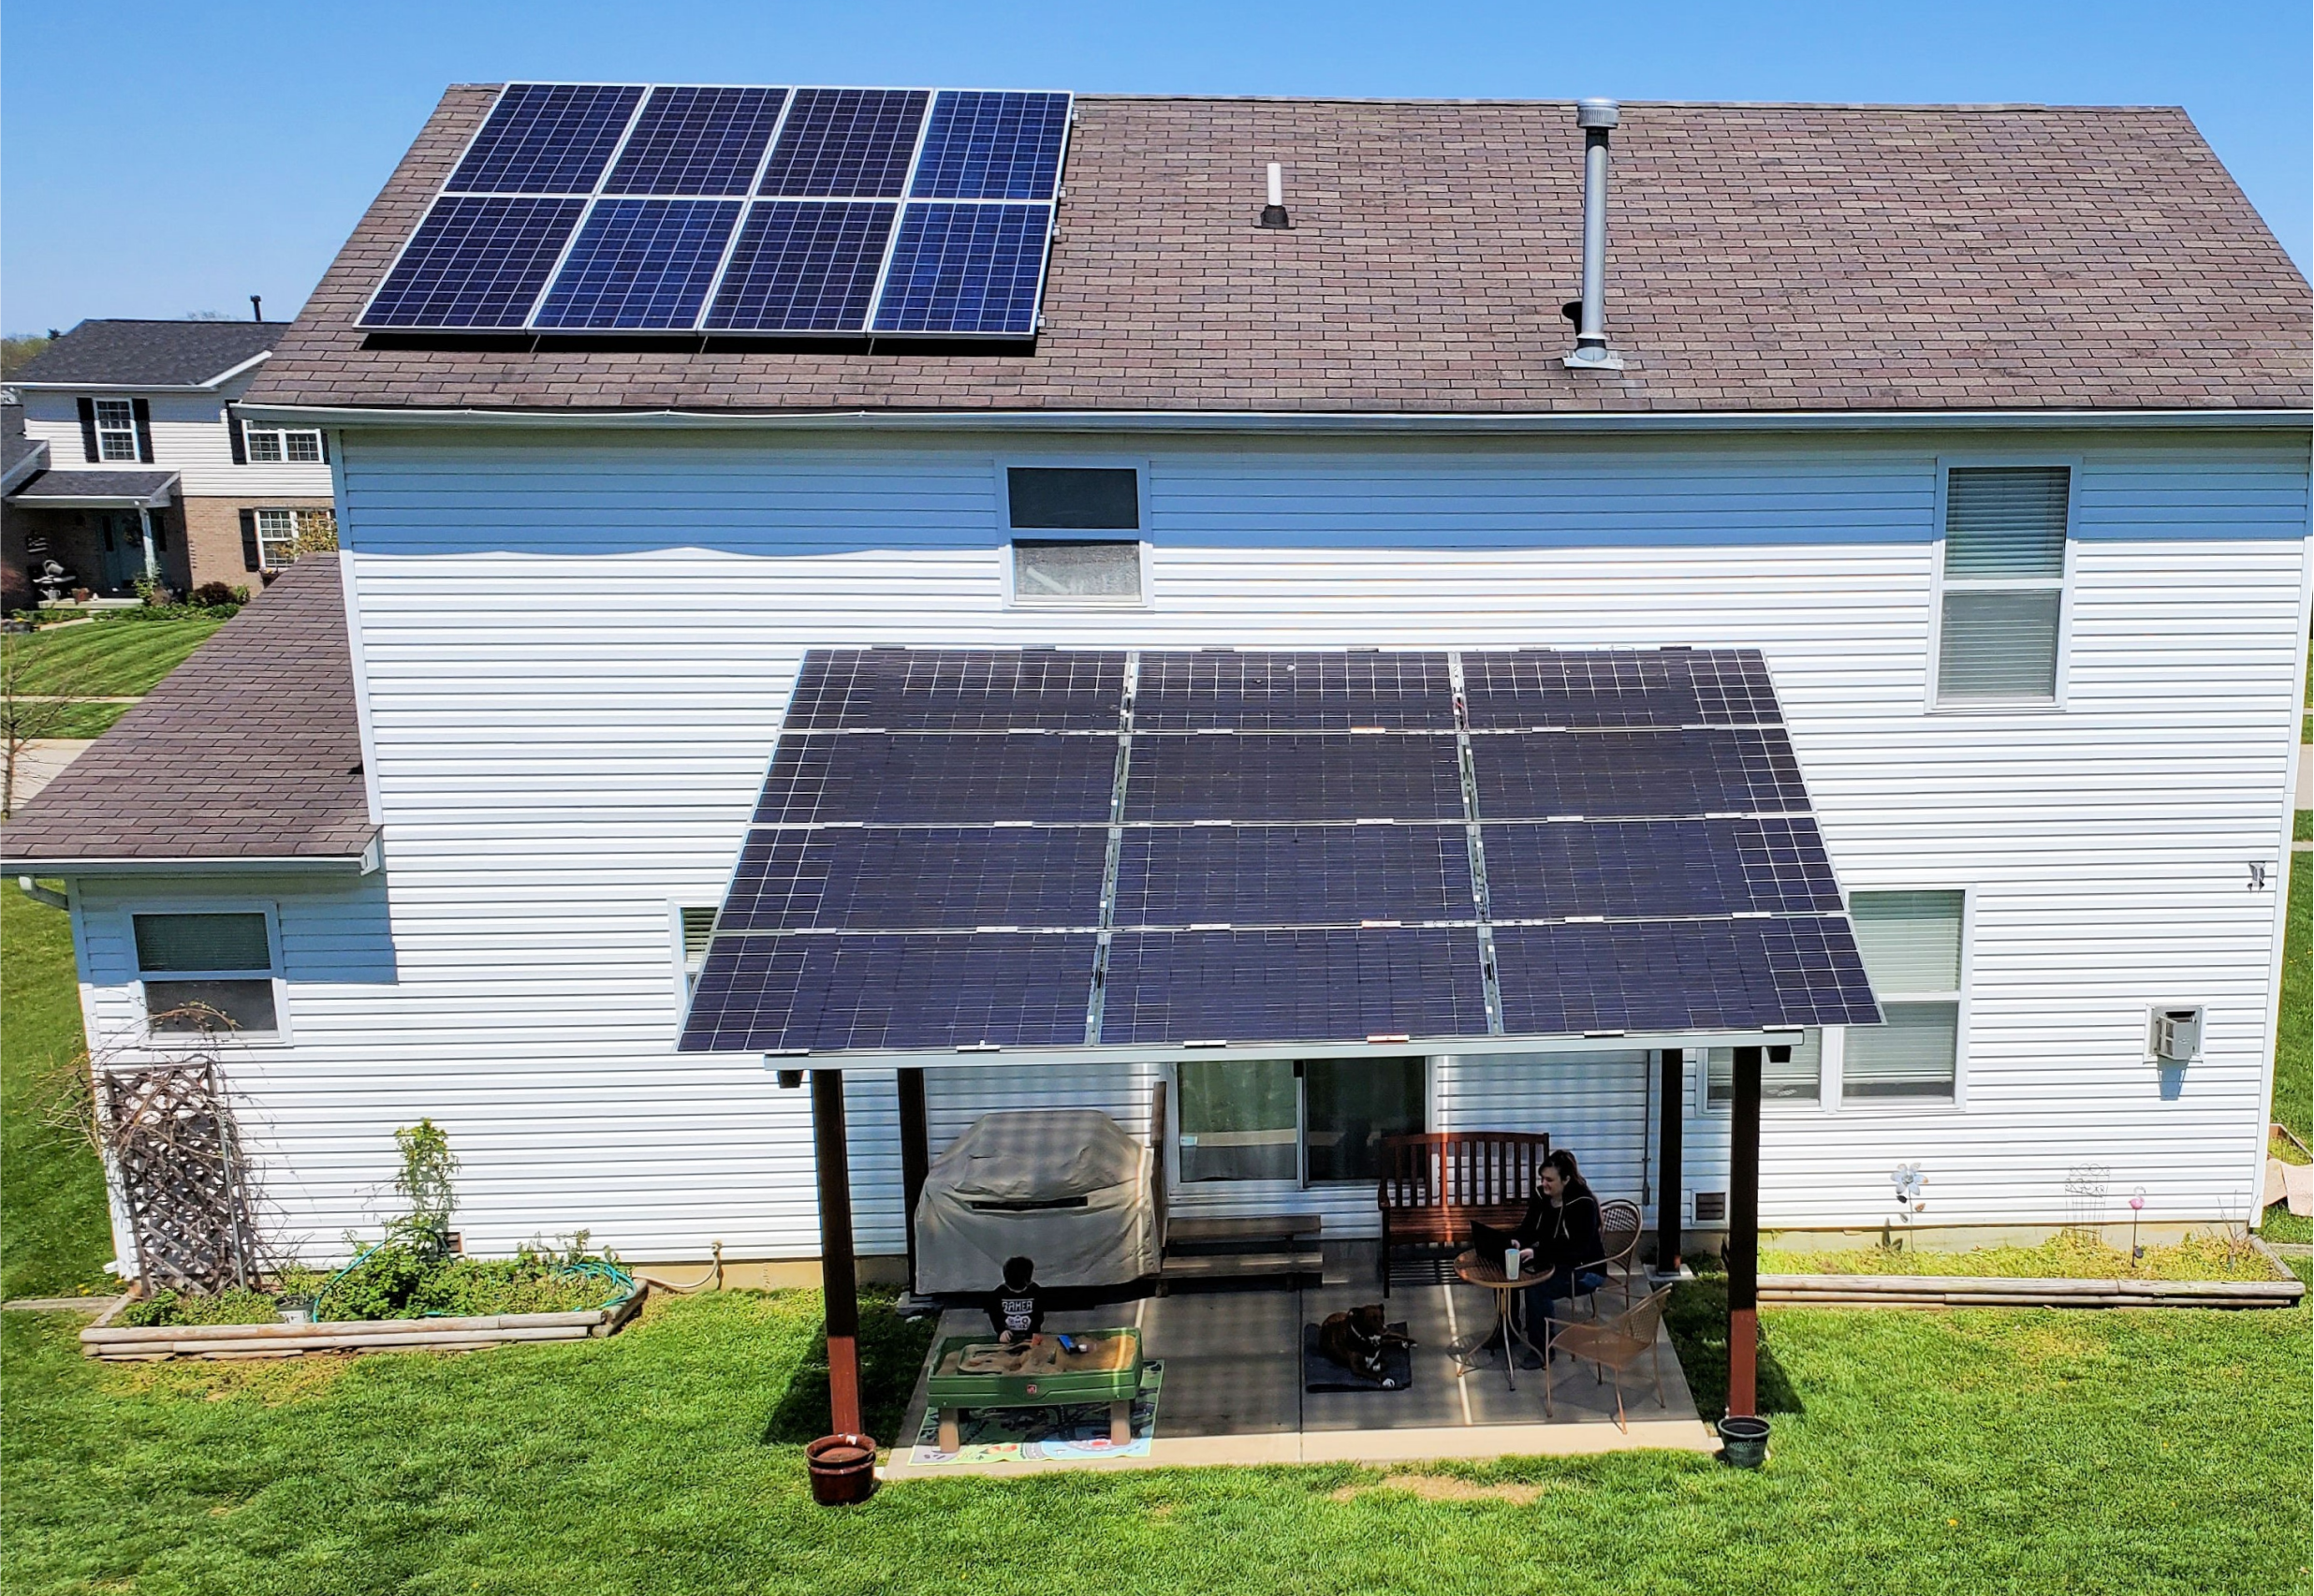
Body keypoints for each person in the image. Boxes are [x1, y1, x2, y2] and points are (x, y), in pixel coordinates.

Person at [988, 1255, 1045, 1343]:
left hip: (1031, 1336)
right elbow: (995, 1316)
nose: (1017, 1292)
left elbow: (1038, 1315)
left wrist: (1034, 1331)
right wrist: (1001, 1330)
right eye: (1013, 1289)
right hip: (1007, 1337)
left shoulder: (1035, 1291)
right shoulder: (998, 1294)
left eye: (1021, 1289)